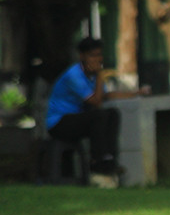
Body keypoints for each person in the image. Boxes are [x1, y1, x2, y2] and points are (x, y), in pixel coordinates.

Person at [45, 36, 149, 188]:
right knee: (98, 116)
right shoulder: (74, 75)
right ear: (82, 56)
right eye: (93, 55)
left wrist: (136, 93)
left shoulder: (92, 76)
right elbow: (96, 102)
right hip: (59, 123)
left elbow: (106, 96)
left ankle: (109, 159)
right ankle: (98, 164)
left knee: (112, 113)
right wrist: (101, 75)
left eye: (99, 55)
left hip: (78, 119)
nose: (98, 59)